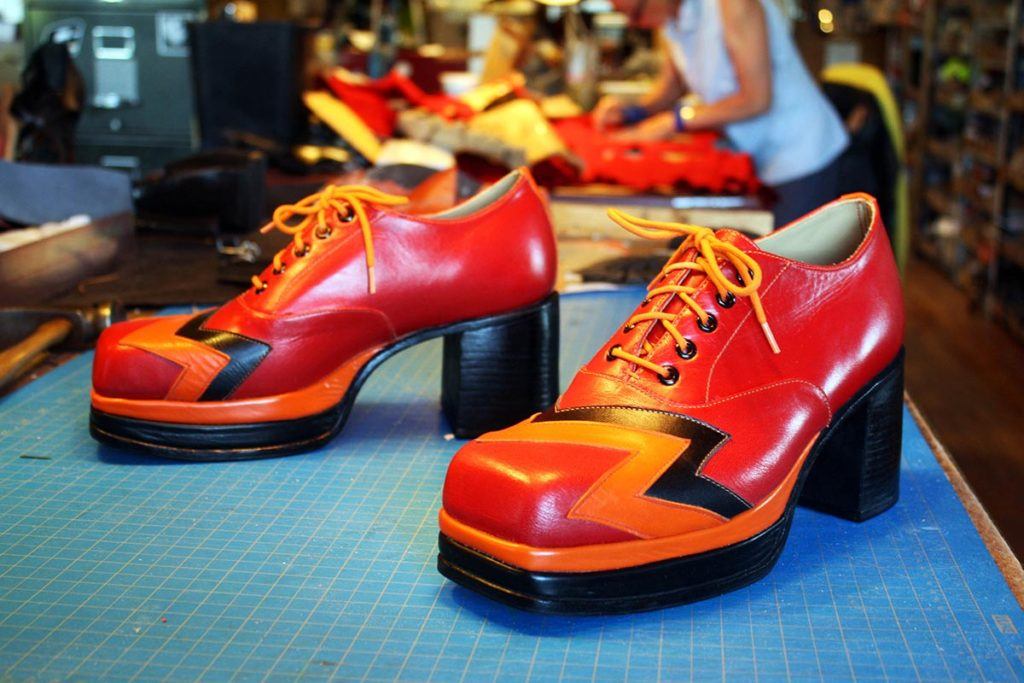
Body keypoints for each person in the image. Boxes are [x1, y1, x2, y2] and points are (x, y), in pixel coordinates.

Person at [594, 0, 849, 227]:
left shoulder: (733, 5)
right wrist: (630, 111)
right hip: (758, 156)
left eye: (636, 13)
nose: (634, 24)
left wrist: (677, 121)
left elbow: (757, 99)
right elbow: (672, 88)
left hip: (800, 153)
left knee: (791, 266)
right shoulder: (673, 20)